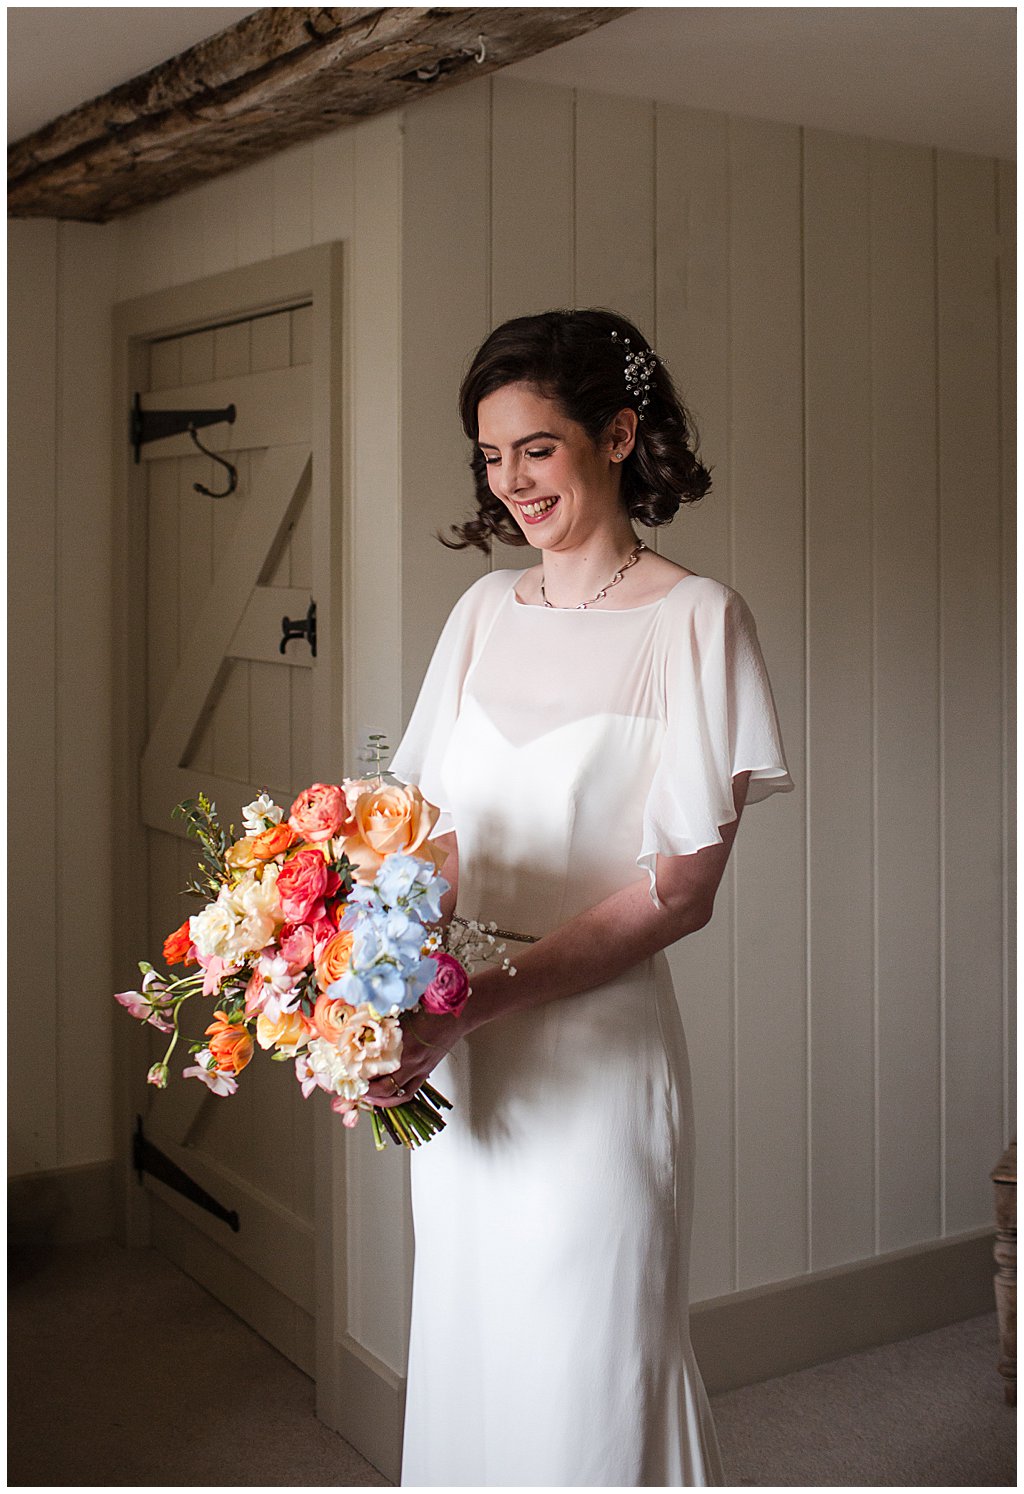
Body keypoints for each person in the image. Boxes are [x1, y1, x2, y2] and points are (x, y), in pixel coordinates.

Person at [366, 307, 794, 1486]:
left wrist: (478, 1000)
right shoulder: (478, 616)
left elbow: (677, 895)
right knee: (473, 1351)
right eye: (491, 456)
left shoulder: (697, 623)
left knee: (587, 1375)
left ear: (616, 435)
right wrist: (381, 991)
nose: (510, 483)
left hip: (595, 1062)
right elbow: (435, 831)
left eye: (536, 449)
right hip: (460, 1060)